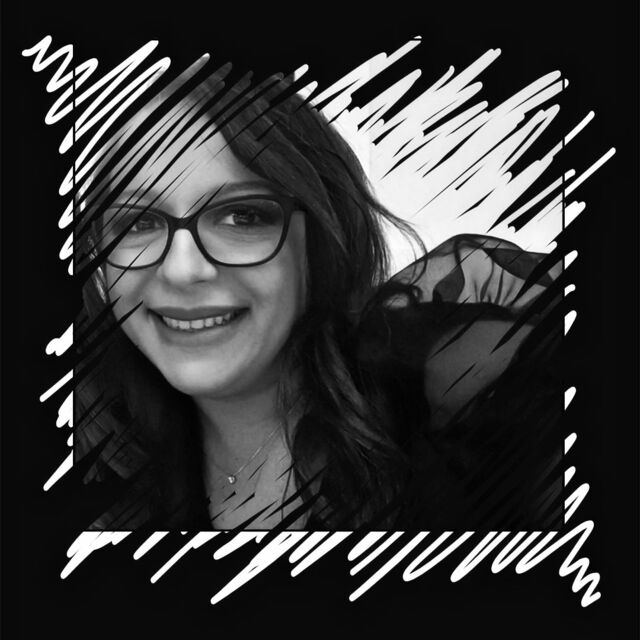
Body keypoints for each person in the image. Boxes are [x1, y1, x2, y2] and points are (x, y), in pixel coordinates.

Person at [74, 69, 564, 531]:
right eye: (137, 222)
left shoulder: (460, 386)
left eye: (243, 216)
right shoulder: (92, 464)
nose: (182, 269)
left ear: (320, 240)